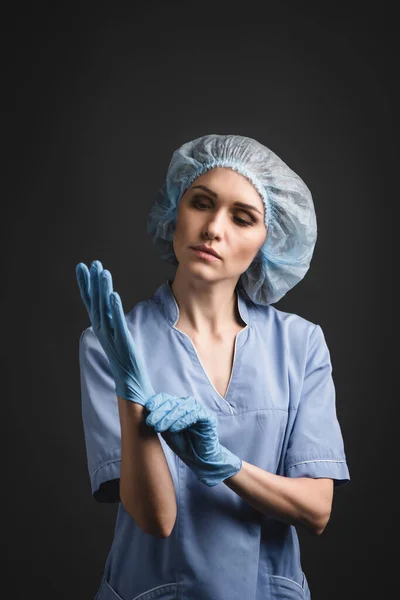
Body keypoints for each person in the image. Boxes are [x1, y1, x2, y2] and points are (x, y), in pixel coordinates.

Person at [76, 134, 350, 600]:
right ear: (174, 213)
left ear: (270, 240)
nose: (214, 228)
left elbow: (316, 508)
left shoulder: (300, 344)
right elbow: (155, 518)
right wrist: (131, 393)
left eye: (242, 218)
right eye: (201, 203)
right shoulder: (113, 343)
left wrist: (221, 464)